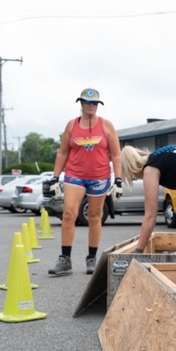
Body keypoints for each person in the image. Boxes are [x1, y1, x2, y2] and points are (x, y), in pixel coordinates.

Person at [46, 87, 122, 276]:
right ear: (81, 103)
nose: (92, 106)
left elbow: (116, 154)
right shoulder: (72, 125)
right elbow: (63, 152)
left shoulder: (106, 126)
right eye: (88, 102)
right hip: (75, 175)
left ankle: (91, 259)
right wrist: (55, 177)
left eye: (95, 103)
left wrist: (118, 179)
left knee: (95, 216)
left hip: (99, 176)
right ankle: (65, 260)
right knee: (69, 214)